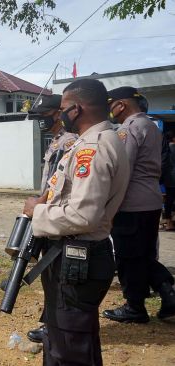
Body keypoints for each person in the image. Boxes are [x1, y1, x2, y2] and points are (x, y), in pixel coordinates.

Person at [23, 79, 130, 365]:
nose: (59, 116)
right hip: (77, 255)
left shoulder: (92, 148)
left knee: (68, 347)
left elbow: (83, 215)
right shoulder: (94, 141)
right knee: (74, 340)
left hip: (78, 256)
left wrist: (37, 212)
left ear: (76, 109)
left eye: (62, 109)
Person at [102, 87, 175, 323]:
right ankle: (168, 293)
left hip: (130, 202)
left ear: (121, 105)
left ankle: (135, 307)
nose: (110, 110)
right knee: (143, 254)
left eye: (111, 104)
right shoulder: (151, 126)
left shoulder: (128, 129)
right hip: (151, 200)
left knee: (128, 256)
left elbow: (122, 170)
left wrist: (110, 207)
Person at [25, 94, 78, 344]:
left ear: (58, 113)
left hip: (57, 216)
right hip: (49, 212)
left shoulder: (69, 142)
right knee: (49, 274)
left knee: (56, 274)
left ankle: (56, 327)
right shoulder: (57, 140)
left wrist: (40, 204)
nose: (40, 122)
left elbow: (58, 183)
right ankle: (52, 323)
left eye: (43, 116)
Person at [162, 130, 175, 231]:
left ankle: (168, 223)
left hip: (168, 179)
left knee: (169, 201)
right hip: (173, 179)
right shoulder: (173, 148)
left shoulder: (165, 148)